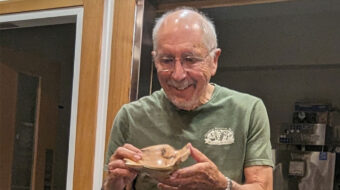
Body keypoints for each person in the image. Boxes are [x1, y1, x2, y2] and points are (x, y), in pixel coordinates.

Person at [103, 7, 273, 190]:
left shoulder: (248, 110)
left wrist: (222, 185)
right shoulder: (131, 116)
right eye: (167, 60)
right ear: (155, 60)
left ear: (214, 61)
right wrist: (114, 183)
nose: (177, 75)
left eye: (190, 59)